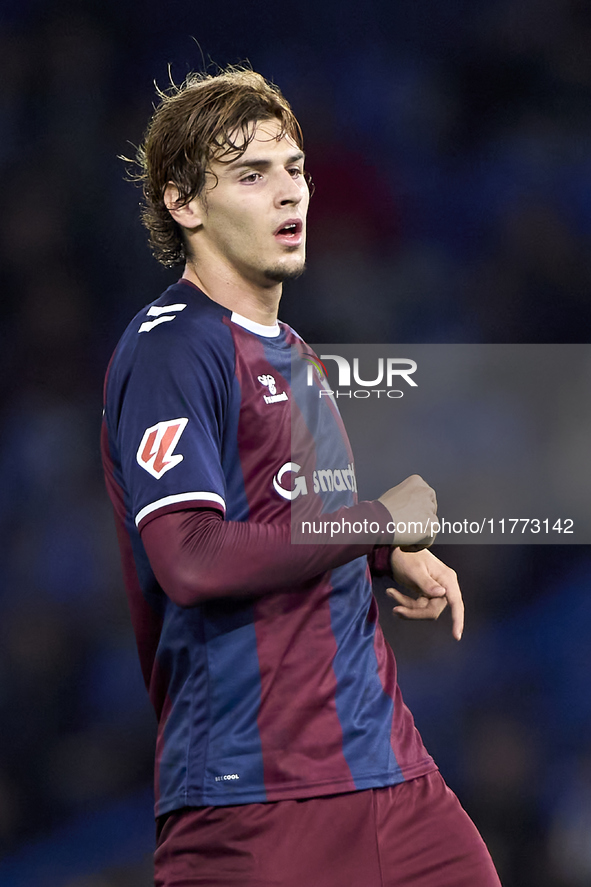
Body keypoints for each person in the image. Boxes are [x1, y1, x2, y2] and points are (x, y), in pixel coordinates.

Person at [101, 66, 501, 887]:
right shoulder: (173, 348)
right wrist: (375, 523)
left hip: (390, 776)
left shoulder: (296, 353)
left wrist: (385, 555)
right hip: (254, 802)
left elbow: (288, 518)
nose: (290, 194)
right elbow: (193, 557)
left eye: (294, 168)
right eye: (252, 175)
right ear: (184, 202)